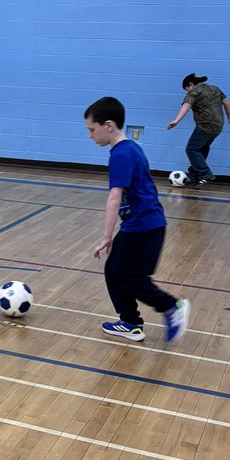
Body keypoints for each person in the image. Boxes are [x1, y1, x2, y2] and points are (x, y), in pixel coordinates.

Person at [84, 96, 190, 344]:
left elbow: (114, 197)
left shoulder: (121, 155)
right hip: (141, 224)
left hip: (144, 226)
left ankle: (172, 307)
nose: (90, 135)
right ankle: (131, 323)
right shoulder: (131, 148)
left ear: (108, 125)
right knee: (114, 271)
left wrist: (106, 237)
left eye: (92, 129)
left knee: (129, 277)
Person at [166, 73, 230, 187]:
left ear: (190, 84)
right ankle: (195, 175)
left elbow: (186, 105)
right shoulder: (215, 88)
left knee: (191, 149)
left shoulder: (194, 92)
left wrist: (176, 120)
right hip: (218, 126)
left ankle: (205, 174)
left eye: (186, 89)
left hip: (205, 126)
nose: (187, 92)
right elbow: (226, 102)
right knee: (202, 148)